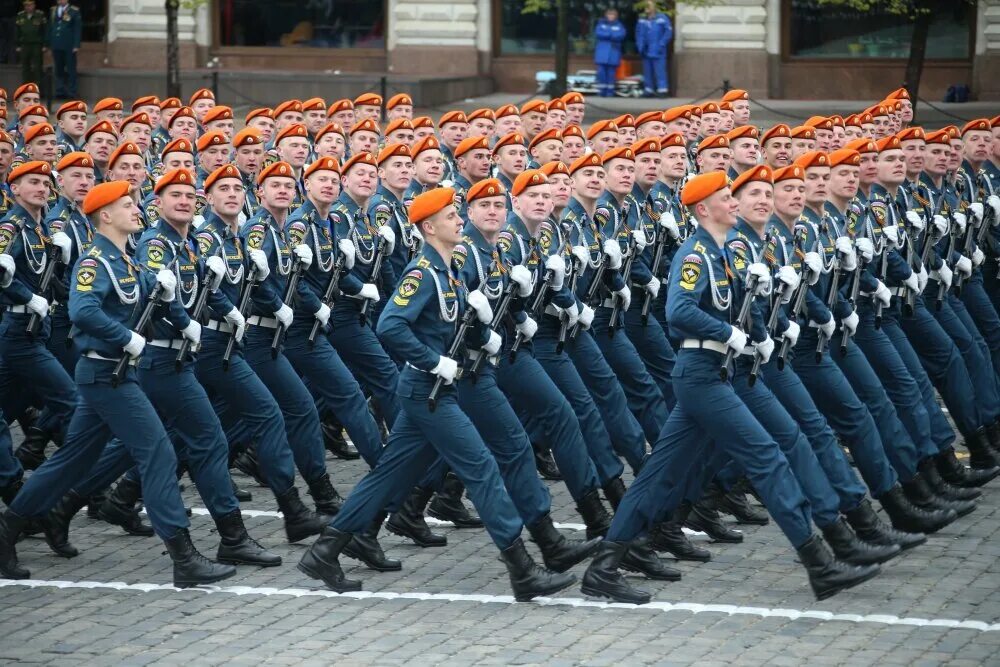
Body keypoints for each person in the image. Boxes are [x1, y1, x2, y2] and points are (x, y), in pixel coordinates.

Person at [635, 0, 672, 98]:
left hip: (658, 49)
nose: (647, 8)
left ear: (654, 7)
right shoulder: (642, 19)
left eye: (649, 6)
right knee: (647, 71)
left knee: (660, 71)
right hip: (645, 49)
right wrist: (640, 46)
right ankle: (648, 90)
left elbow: (668, 33)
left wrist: (662, 44)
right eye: (645, 6)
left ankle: (662, 90)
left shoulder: (662, 18)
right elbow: (638, 33)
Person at [48, 0, 82, 99]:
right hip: (56, 44)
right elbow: (51, 26)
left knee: (71, 69)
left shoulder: (74, 11)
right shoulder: (53, 10)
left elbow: (77, 29)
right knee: (58, 69)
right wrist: (49, 42)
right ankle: (60, 91)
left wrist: (76, 45)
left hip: (69, 45)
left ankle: (72, 92)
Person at [594, 8, 625, 98]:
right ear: (606, 15)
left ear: (616, 16)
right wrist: (611, 34)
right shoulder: (601, 24)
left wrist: (607, 34)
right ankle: (602, 91)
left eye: (613, 15)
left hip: (613, 52)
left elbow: (621, 35)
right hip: (602, 52)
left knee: (611, 73)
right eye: (609, 14)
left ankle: (610, 91)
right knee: (601, 72)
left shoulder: (619, 25)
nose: (611, 16)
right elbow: (598, 33)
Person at [15, 1, 45, 88]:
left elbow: (44, 30)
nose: (28, 7)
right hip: (24, 44)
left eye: (30, 5)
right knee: (25, 67)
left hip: (36, 44)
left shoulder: (39, 15)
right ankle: (25, 87)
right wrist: (17, 45)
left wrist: (45, 44)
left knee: (37, 67)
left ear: (34, 5)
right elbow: (17, 31)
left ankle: (37, 87)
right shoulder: (20, 15)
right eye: (26, 5)